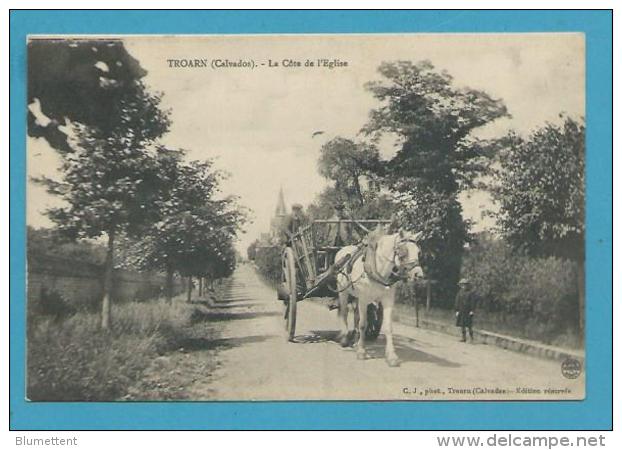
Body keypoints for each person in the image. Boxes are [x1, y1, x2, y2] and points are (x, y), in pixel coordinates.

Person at [455, 278, 476, 343]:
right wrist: (457, 310)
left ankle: (471, 338)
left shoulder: (470, 293)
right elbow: (457, 302)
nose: (463, 286)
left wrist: (472, 310)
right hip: (461, 311)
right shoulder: (460, 293)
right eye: (462, 285)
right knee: (462, 325)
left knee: (469, 325)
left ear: (467, 285)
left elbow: (472, 302)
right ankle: (463, 338)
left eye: (465, 285)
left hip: (468, 311)